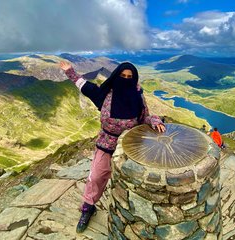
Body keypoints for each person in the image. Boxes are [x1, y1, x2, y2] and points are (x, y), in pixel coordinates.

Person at [59, 61, 166, 233]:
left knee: (132, 180)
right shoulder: (105, 94)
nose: (125, 79)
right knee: (95, 178)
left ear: (134, 79)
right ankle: (88, 208)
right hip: (106, 143)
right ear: (116, 76)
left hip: (129, 147)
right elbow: (84, 86)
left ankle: (134, 213)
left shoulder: (137, 96)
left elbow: (144, 117)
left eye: (129, 77)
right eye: (122, 76)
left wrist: (154, 120)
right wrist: (69, 71)